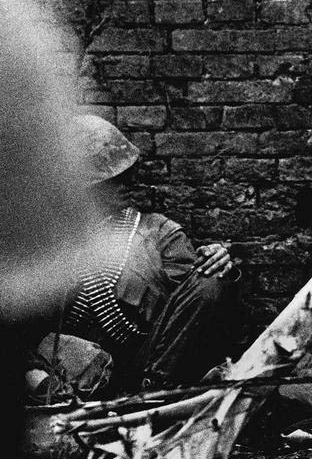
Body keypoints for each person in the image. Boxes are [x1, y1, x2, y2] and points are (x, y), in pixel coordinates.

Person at [55, 114, 240, 392]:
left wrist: (219, 262)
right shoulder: (49, 241)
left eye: (129, 174)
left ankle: (151, 390)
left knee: (211, 280)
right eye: (114, 179)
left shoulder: (159, 231)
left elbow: (200, 305)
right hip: (76, 377)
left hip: (148, 366)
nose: (128, 184)